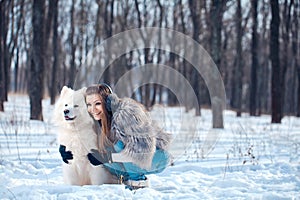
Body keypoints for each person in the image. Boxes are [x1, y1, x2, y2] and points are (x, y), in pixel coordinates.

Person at [84, 83, 172, 190]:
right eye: (89, 104)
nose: (92, 109)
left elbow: (140, 153)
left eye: (97, 103)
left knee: (117, 147)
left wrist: (108, 158)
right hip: (136, 157)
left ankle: (138, 183)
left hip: (157, 155)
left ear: (108, 103)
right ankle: (127, 179)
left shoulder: (125, 114)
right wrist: (68, 151)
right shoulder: (101, 120)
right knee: (101, 155)